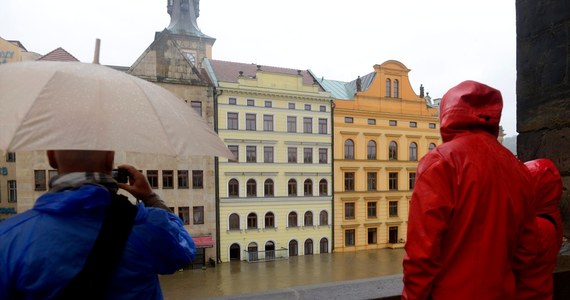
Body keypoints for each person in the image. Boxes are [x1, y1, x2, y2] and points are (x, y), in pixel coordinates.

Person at [402, 80, 538, 299]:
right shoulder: (519, 170)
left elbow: (421, 255)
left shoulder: (440, 162)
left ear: (447, 113)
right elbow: (527, 253)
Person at [0, 150, 196, 299]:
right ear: (110, 159)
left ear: (51, 157)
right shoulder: (145, 226)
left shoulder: (9, 238)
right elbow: (184, 250)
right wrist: (151, 198)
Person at [519, 158, 563, 299]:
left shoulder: (538, 227)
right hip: (541, 291)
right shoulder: (551, 215)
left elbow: (514, 260)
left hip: (528, 294)